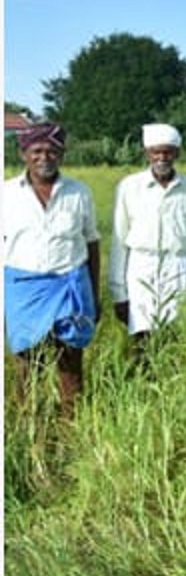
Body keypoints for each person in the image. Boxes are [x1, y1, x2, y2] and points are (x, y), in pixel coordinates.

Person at [3, 123, 100, 415]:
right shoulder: (6, 194)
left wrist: (94, 296)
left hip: (70, 286)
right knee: (26, 364)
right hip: (23, 290)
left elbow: (92, 243)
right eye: (37, 151)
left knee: (70, 361)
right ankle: (29, 425)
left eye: (52, 151)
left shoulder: (78, 193)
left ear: (62, 154)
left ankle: (72, 426)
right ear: (23, 154)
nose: (44, 157)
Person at [108, 123, 186, 352]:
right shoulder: (129, 187)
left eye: (168, 152)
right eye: (156, 152)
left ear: (177, 153)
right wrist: (118, 293)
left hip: (179, 268)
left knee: (178, 337)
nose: (162, 158)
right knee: (143, 339)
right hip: (141, 268)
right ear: (147, 153)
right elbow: (119, 241)